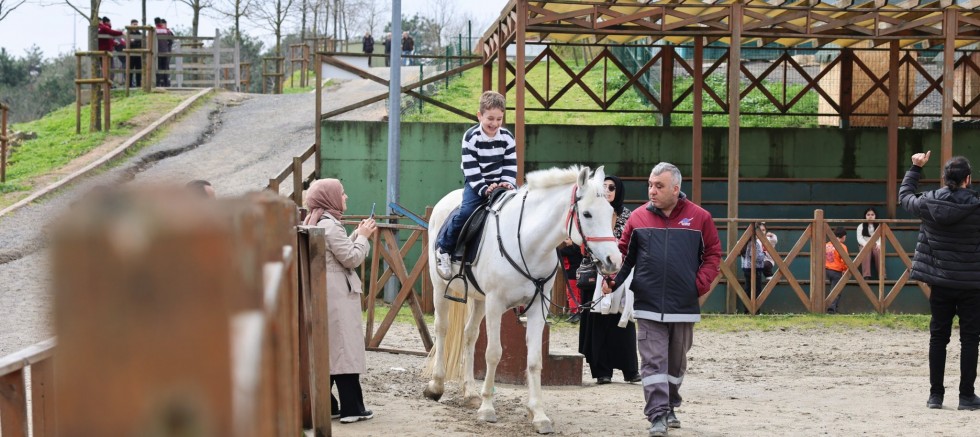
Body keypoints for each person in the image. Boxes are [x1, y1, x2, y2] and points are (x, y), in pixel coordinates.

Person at [602, 163, 721, 436]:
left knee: (676, 363)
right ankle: (656, 415)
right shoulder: (639, 218)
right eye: (650, 185)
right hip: (648, 303)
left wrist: (699, 284)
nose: (652, 191)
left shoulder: (700, 218)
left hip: (684, 305)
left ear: (676, 189)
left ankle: (670, 405)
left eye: (659, 186)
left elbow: (713, 254)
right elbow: (625, 256)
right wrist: (613, 281)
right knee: (653, 361)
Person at [899, 150, 980, 411]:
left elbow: (904, 197)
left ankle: (936, 396)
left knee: (938, 338)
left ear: (945, 178)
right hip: (972, 284)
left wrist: (915, 167)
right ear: (968, 179)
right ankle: (966, 396)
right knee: (970, 339)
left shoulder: (928, 203)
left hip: (940, 282)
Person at [304, 178, 378, 423]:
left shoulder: (314, 221)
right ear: (330, 198)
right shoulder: (331, 225)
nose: (345, 197)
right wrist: (364, 237)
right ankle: (351, 409)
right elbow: (350, 258)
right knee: (344, 349)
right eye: (342, 193)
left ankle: (330, 404)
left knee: (329, 349)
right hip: (337, 294)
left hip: (324, 291)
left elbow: (335, 252)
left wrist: (357, 233)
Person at [434, 90, 517, 277]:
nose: (494, 124)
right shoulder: (471, 137)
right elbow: (471, 168)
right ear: (479, 115)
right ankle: (444, 248)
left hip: (502, 184)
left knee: (519, 208)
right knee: (465, 212)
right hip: (477, 182)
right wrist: (484, 188)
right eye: (490, 119)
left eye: (499, 119)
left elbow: (510, 165)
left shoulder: (507, 138)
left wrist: (507, 184)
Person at [579, 175, 639, 385]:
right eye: (603, 186)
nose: (607, 190)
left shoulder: (628, 216)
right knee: (598, 324)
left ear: (619, 191)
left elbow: (631, 243)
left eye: (612, 187)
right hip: (594, 272)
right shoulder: (591, 212)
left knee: (623, 322)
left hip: (621, 274)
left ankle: (630, 370)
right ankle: (601, 371)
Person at [557, 239, 585, 323]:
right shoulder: (580, 249)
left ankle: (574, 314)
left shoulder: (568, 250)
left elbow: (557, 251)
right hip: (581, 275)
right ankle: (579, 313)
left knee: (572, 295)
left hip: (571, 275)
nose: (565, 241)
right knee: (579, 294)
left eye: (567, 239)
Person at [824, 226, 848, 314]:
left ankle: (833, 308)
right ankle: (831, 309)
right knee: (836, 290)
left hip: (827, 269)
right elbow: (845, 259)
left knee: (834, 289)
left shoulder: (827, 245)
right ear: (843, 236)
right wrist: (845, 269)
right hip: (837, 270)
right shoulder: (842, 246)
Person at [855, 207, 882, 279]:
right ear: (865, 216)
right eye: (868, 214)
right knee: (866, 251)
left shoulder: (879, 226)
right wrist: (866, 245)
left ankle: (882, 275)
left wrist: (879, 244)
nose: (870, 216)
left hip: (875, 244)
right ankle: (866, 275)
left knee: (878, 251)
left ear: (875, 216)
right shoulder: (860, 226)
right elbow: (859, 238)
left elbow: (881, 237)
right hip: (864, 244)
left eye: (872, 214)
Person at [741, 226, 765, 301]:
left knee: (748, 288)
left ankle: (747, 309)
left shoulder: (745, 242)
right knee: (757, 290)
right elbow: (756, 257)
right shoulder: (754, 243)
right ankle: (755, 310)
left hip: (746, 268)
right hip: (755, 268)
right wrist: (764, 253)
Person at [155, 18, 174, 87]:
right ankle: (165, 84)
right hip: (165, 52)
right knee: (164, 68)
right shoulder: (167, 31)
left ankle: (160, 84)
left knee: (160, 68)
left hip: (160, 52)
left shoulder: (155, 30)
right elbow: (171, 41)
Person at [128, 19, 143, 88]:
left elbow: (141, 42)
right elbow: (128, 42)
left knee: (138, 69)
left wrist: (134, 41)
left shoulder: (139, 33)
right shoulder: (128, 33)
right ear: (131, 24)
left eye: (137, 24)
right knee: (130, 69)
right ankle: (129, 85)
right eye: (134, 24)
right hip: (130, 54)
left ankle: (138, 85)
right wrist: (133, 41)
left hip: (138, 54)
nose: (136, 26)